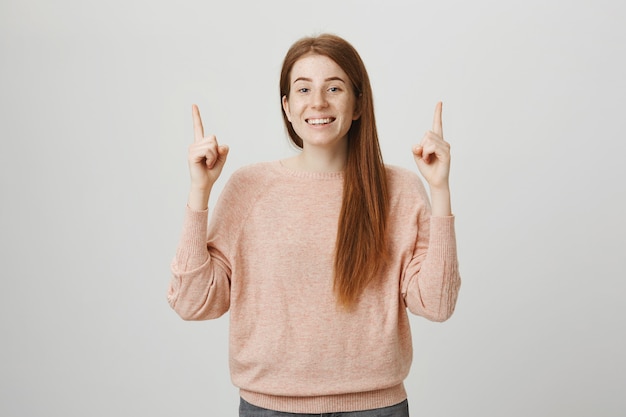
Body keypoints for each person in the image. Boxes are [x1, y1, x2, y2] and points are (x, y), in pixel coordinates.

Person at [168, 33, 461, 417]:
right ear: (287, 108)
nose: (318, 102)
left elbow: (437, 304)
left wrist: (439, 190)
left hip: (376, 408)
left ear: (358, 104)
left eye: (334, 87)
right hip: (268, 407)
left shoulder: (398, 190)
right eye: (303, 89)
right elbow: (192, 303)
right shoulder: (248, 187)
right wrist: (199, 192)